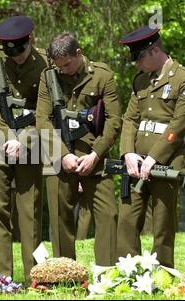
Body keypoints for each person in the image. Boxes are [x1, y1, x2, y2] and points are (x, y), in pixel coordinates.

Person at [36, 32, 121, 266]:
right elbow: (42, 120)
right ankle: (66, 272)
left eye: (67, 64)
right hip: (59, 156)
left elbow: (114, 120)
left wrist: (96, 155)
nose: (63, 70)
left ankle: (107, 273)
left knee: (108, 214)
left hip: (95, 156)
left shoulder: (102, 76)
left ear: (79, 54)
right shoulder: (49, 77)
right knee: (60, 218)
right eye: (58, 65)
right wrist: (62, 154)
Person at [118, 26, 185, 267]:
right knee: (126, 221)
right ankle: (126, 272)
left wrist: (154, 157)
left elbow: (180, 123)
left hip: (166, 164)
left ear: (154, 51)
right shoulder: (140, 81)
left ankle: (163, 274)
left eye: (139, 57)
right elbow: (130, 119)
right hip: (135, 164)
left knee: (162, 225)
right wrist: (127, 153)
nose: (136, 64)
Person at [0, 16, 47, 284]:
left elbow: (43, 110)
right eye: (10, 52)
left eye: (20, 50)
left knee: (30, 212)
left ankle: (36, 276)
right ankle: (1, 278)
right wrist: (8, 136)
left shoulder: (43, 63)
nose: (16, 57)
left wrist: (24, 139)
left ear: (30, 41)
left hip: (29, 141)